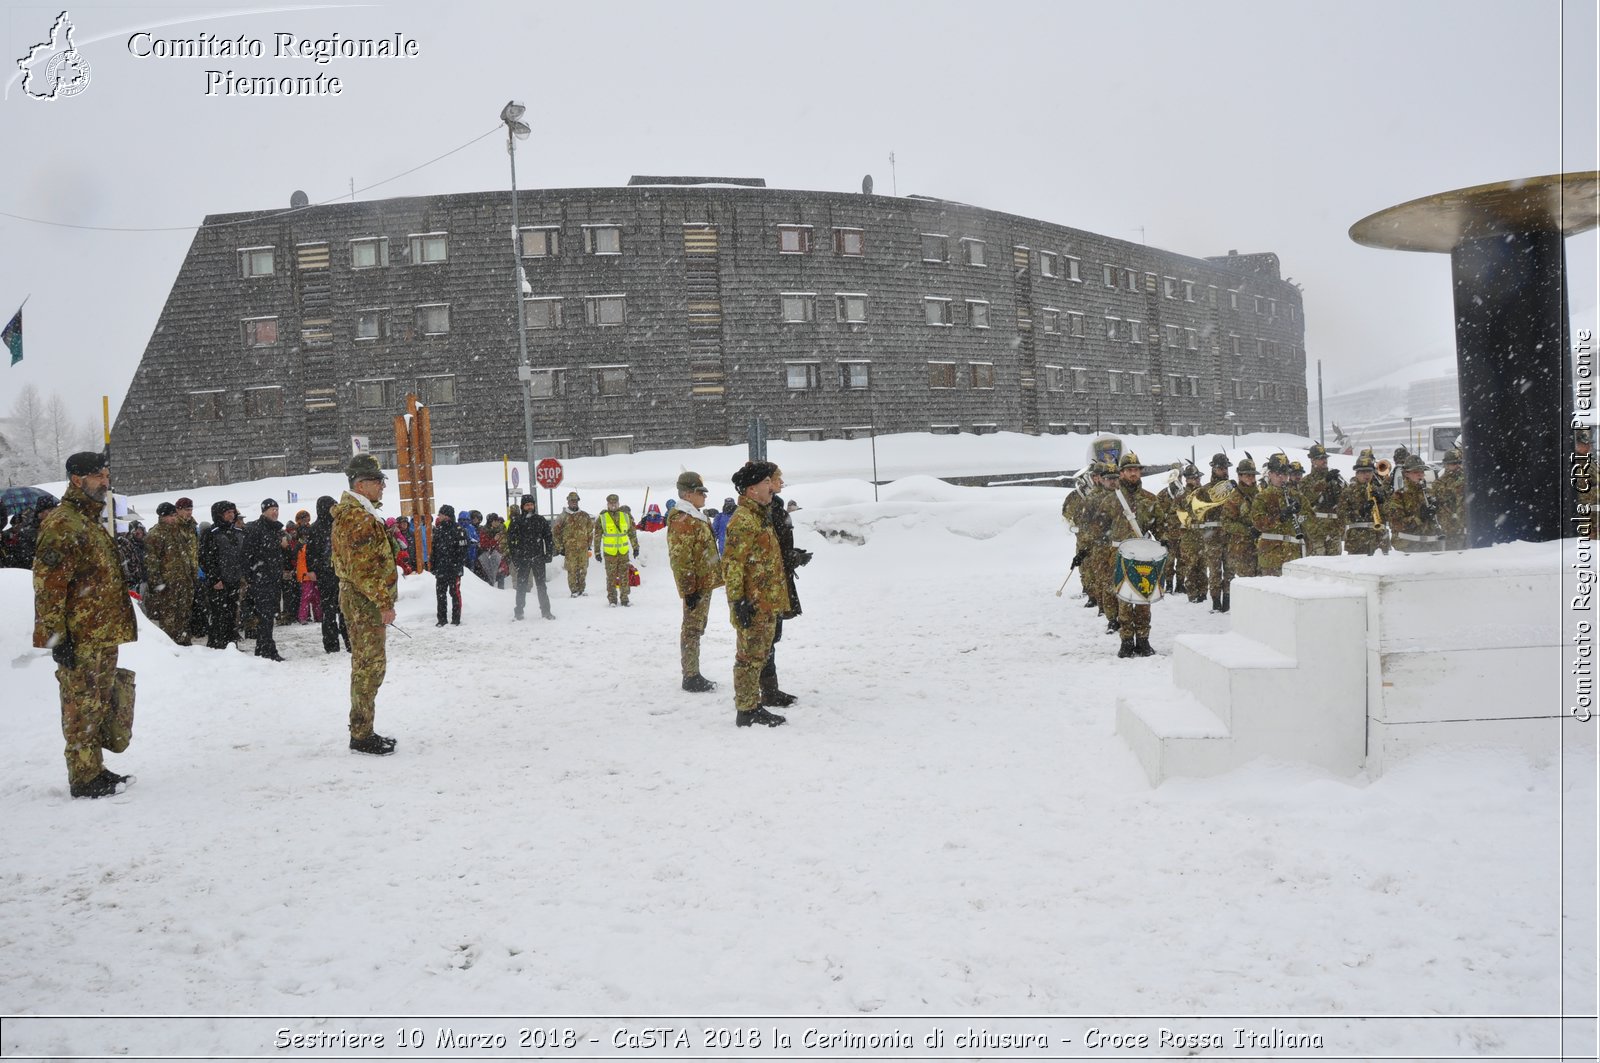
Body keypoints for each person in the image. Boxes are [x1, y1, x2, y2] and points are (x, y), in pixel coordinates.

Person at [32, 451, 138, 798]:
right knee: (81, 707)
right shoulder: (63, 524)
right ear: (77, 480)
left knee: (99, 704)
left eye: (106, 475)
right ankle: (83, 778)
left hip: (102, 632)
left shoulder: (89, 520)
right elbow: (49, 587)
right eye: (98, 476)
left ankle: (95, 770)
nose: (105, 482)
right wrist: (55, 637)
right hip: (80, 637)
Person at [332, 454, 399, 756]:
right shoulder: (356, 516)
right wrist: (384, 602)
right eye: (378, 481)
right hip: (365, 602)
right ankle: (361, 734)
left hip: (363, 600)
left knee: (368, 666)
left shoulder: (361, 512)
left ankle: (363, 730)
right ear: (361, 485)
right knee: (368, 668)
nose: (383, 486)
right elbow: (363, 569)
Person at [723, 461, 790, 727]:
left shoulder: (759, 516)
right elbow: (732, 564)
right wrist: (738, 601)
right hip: (753, 602)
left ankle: (753, 704)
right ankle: (747, 710)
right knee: (748, 657)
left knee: (759, 655)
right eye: (765, 483)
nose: (771, 487)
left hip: (766, 600)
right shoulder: (744, 520)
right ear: (752, 490)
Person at [1099, 452, 1166, 657]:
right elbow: (1100, 530)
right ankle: (1126, 641)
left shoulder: (1149, 499)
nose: (1133, 473)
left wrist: (1165, 540)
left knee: (1144, 598)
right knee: (1125, 599)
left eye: (1136, 469)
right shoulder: (1111, 500)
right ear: (1121, 473)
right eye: (1129, 470)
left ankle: (1144, 640)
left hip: (1144, 555)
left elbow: (1160, 525)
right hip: (1119, 555)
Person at [667, 471, 722, 692]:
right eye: (701, 493)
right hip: (696, 586)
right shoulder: (683, 519)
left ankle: (693, 672)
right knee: (691, 629)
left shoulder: (694, 516)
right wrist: (689, 590)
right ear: (688, 494)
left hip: (703, 582)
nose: (705, 497)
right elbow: (680, 558)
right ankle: (690, 676)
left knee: (696, 628)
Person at [762, 465, 811, 706]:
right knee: (766, 637)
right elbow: (767, 551)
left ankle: (771, 688)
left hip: (780, 579)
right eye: (778, 479)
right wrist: (789, 557)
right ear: (768, 482)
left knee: (774, 635)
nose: (781, 483)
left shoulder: (776, 507)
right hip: (770, 582)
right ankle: (767, 691)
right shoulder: (766, 511)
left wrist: (793, 555)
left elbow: (779, 545)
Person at [142, 502, 196, 645]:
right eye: (171, 516)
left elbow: (186, 554)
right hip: (168, 584)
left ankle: (185, 643)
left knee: (184, 615)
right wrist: (158, 584)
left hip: (183, 581)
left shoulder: (177, 531)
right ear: (163, 516)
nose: (174, 518)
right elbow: (151, 562)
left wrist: (190, 575)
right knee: (169, 618)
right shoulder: (156, 534)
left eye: (174, 515)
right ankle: (171, 646)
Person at [242, 498, 288, 661]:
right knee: (265, 616)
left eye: (277, 509)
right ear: (264, 511)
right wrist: (251, 577)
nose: (275, 512)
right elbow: (246, 554)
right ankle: (267, 650)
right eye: (271, 509)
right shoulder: (256, 528)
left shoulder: (275, 529)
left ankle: (263, 649)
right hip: (261, 579)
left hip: (273, 578)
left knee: (268, 617)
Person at [199, 500, 246, 649]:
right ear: (219, 515)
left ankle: (231, 644)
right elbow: (206, 558)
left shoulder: (238, 532)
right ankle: (217, 644)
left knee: (233, 613)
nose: (231, 516)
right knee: (219, 614)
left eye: (232, 512)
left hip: (235, 579)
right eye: (227, 513)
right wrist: (214, 578)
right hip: (219, 581)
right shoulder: (211, 533)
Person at [305, 494, 349, 653]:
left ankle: (349, 641)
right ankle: (331, 644)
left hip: (341, 573)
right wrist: (312, 569)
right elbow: (310, 552)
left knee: (344, 609)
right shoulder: (316, 528)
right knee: (329, 611)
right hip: (326, 574)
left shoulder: (340, 524)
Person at [1249, 453, 1303, 576]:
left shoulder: (1296, 495)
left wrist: (1300, 515)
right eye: (1277, 474)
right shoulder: (1262, 497)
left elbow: (1310, 520)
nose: (1281, 478)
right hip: (1271, 556)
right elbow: (1258, 523)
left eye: (1284, 474)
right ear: (1270, 474)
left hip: (1293, 555)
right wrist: (1281, 517)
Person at [1218, 456, 1261, 605]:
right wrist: (1247, 530)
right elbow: (1226, 522)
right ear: (1240, 476)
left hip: (1261, 546)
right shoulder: (1234, 498)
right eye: (1247, 475)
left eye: (1253, 475)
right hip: (1242, 547)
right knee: (1247, 583)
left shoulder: (1260, 494)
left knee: (1262, 583)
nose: (1251, 478)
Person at [506, 494, 556, 621]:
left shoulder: (540, 520)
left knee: (541, 586)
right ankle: (519, 612)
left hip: (538, 558)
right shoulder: (517, 521)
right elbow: (511, 541)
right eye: (527, 505)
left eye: (531, 504)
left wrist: (549, 553)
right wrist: (515, 558)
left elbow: (548, 538)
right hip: (523, 559)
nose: (529, 507)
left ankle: (546, 611)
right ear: (523, 506)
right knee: (521, 586)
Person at [1388, 453, 1445, 552]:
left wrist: (1437, 510)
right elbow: (1396, 524)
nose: (1420, 474)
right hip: (1408, 547)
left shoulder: (1429, 492)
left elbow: (1442, 519)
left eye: (1422, 471)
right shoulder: (1398, 496)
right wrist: (1419, 517)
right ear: (1406, 474)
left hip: (1431, 545)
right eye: (1415, 472)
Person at [593, 492, 639, 607]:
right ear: (607, 504)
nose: (613, 505)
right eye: (611, 503)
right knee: (611, 577)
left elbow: (632, 533)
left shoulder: (625, 516)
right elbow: (597, 536)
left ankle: (625, 598)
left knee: (624, 576)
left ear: (618, 503)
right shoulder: (602, 518)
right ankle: (612, 599)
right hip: (610, 554)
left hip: (623, 552)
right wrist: (597, 552)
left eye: (615, 503)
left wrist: (635, 547)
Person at [1199, 453, 1233, 612]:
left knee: (1230, 569)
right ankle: (1215, 601)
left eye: (1225, 468)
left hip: (1229, 535)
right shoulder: (1205, 489)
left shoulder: (1233, 488)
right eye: (1220, 468)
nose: (1224, 471)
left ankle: (1227, 600)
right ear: (1213, 469)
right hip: (1212, 535)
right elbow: (1197, 511)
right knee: (1214, 570)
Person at [1339, 450, 1387, 557]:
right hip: (1357, 540)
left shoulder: (1379, 490)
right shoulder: (1348, 491)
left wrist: (1382, 502)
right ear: (1357, 473)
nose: (1367, 475)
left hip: (1379, 538)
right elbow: (1342, 515)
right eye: (1363, 472)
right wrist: (1360, 512)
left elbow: (1390, 514)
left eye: (1369, 472)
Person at [1299, 444, 1345, 556]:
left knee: (1335, 565)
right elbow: (1308, 497)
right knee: (1316, 563)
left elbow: (1344, 499)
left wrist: (1339, 485)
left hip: (1334, 528)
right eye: (1320, 459)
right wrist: (1325, 481)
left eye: (1325, 458)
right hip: (1316, 529)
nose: (1324, 461)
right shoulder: (1306, 480)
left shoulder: (1335, 478)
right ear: (1312, 460)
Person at [1174, 465, 1209, 603]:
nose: (1198, 480)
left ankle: (1203, 593)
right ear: (1187, 479)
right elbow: (1175, 514)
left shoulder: (1203, 493)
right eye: (1195, 478)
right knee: (1191, 567)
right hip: (1188, 535)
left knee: (1202, 566)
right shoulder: (1182, 495)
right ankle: (1193, 594)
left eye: (1198, 477)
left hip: (1202, 533)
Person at [552, 491, 596, 596]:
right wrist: (560, 547)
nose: (574, 502)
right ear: (568, 502)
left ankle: (582, 589)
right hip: (569, 549)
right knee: (572, 570)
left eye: (575, 501)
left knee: (583, 569)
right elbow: (555, 533)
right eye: (572, 501)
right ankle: (574, 590)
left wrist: (589, 544)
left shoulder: (584, 516)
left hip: (583, 548)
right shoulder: (563, 516)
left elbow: (590, 531)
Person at [430, 504, 468, 626]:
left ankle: (456, 620)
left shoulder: (459, 531)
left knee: (455, 594)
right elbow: (434, 550)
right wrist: (434, 566)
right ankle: (441, 619)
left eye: (440, 514)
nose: (438, 516)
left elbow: (463, 551)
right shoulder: (438, 530)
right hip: (441, 569)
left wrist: (456, 566)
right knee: (440, 595)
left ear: (446, 516)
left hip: (454, 570)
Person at [1434, 448, 1469, 550]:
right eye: (1454, 463)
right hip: (1450, 529)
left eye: (1459, 463)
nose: (1458, 466)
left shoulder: (1468, 479)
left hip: (1468, 527)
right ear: (1446, 465)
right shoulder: (1439, 483)